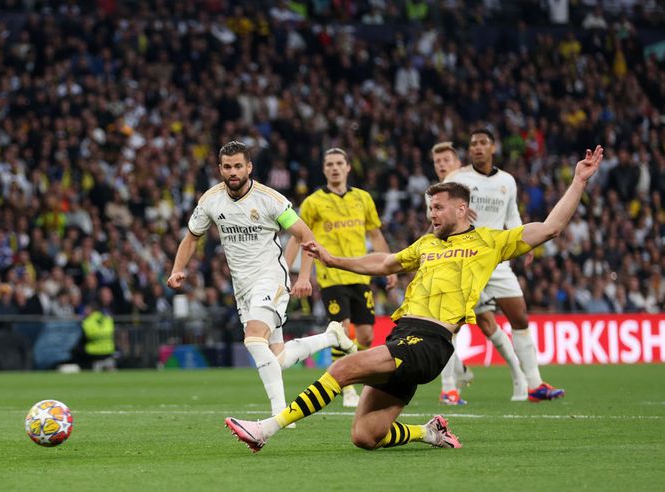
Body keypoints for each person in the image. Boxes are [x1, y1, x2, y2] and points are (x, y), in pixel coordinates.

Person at [224, 145, 603, 453]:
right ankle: (428, 432)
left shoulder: (489, 241)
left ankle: (265, 429)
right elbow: (385, 262)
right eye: (429, 208)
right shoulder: (426, 244)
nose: (431, 214)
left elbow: (550, 228)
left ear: (461, 208)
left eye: (438, 208)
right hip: (403, 337)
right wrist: (333, 259)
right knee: (365, 436)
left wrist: (578, 182)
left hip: (431, 341)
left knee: (343, 368)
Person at [167, 140, 356, 419]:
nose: (233, 172)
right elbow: (191, 237)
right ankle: (331, 336)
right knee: (275, 358)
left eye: (238, 166)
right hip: (242, 286)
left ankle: (280, 416)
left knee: (254, 339)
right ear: (220, 169)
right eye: (228, 167)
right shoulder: (210, 200)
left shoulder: (272, 200)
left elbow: (306, 236)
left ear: (249, 167)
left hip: (271, 278)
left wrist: (303, 275)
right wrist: (177, 269)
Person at [445, 128, 563, 402]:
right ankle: (449, 387)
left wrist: (526, 242)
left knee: (519, 317)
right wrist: (456, 211)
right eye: (473, 143)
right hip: (467, 260)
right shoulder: (458, 178)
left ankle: (534, 384)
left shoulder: (507, 181)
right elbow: (435, 203)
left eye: (483, 143)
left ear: (493, 147)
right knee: (451, 324)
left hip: (498, 259)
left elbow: (512, 215)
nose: (477, 147)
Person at [285, 147, 397, 407]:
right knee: (342, 330)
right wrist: (290, 272)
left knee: (367, 336)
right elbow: (300, 237)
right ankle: (346, 388)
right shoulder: (313, 202)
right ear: (324, 169)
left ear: (348, 167)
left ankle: (358, 376)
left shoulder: (363, 198)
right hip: (331, 276)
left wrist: (389, 265)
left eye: (339, 163)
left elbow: (376, 234)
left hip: (361, 273)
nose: (334, 168)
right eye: (330, 164)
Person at [430, 142, 526, 406]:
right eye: (437, 161)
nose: (441, 165)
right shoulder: (436, 196)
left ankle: (520, 377)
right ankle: (452, 383)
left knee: (483, 324)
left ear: (458, 164)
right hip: (456, 267)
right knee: (455, 324)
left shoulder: (472, 188)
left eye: (446, 160)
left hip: (482, 265)